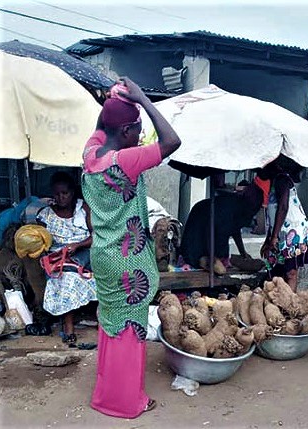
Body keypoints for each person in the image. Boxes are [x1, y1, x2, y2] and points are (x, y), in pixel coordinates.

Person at [82, 77, 181, 418]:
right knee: (130, 330)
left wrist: (115, 100)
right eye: (137, 129)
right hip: (127, 261)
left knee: (111, 324)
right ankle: (125, 401)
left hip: (103, 255)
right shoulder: (126, 161)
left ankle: (106, 393)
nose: (140, 135)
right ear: (125, 131)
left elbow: (102, 124)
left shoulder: (91, 154)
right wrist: (143, 99)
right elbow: (172, 141)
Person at [36, 171, 96, 346]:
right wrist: (42, 253)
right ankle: (68, 324)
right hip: (58, 257)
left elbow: (96, 236)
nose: (61, 197)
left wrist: (77, 245)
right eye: (57, 194)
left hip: (84, 250)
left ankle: (100, 319)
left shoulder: (83, 209)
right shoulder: (45, 214)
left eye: (65, 193)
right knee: (67, 274)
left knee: (99, 266)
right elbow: (39, 242)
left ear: (72, 193)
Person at [179, 177, 265, 274]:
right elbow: (209, 230)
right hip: (197, 246)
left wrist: (243, 252)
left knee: (223, 263)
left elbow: (235, 230)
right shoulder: (231, 208)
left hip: (214, 246)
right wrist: (212, 255)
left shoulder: (242, 210)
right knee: (219, 269)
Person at [260, 161, 308, 292]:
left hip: (293, 233)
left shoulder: (282, 180)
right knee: (277, 270)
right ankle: (279, 303)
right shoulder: (274, 182)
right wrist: (268, 239)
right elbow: (273, 215)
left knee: (290, 273)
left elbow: (283, 208)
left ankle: (290, 306)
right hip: (282, 233)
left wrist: (273, 237)